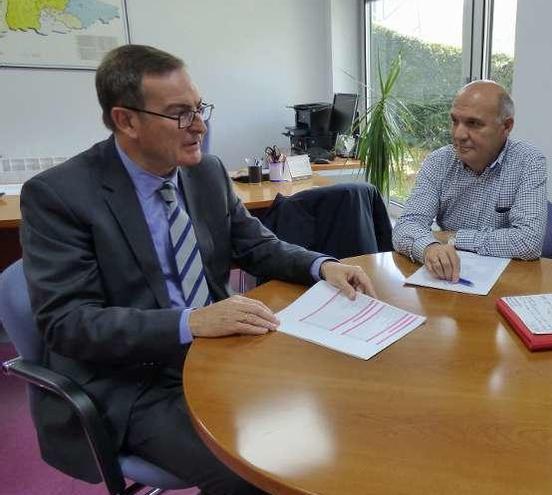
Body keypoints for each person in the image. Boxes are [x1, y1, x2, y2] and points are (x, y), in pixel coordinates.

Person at [19, 44, 375, 495]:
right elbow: (68, 324)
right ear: (126, 121)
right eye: (180, 114)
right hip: (134, 381)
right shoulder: (59, 196)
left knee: (334, 409)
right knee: (262, 471)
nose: (201, 126)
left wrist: (322, 266)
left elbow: (257, 246)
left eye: (199, 108)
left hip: (221, 354)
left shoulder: (204, 172)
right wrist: (192, 322)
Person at [392, 80, 547, 282]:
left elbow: (529, 241)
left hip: (506, 281)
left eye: (474, 124)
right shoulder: (439, 161)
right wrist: (429, 247)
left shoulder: (528, 161)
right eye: (455, 121)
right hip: (447, 281)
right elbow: (406, 226)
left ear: (506, 126)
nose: (459, 134)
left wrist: (453, 238)